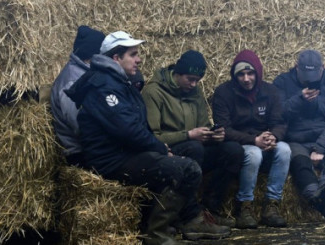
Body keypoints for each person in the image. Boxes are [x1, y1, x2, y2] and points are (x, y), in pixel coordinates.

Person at [67, 31, 229, 244]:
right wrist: (161, 148)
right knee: (187, 169)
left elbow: (136, 128)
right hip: (112, 160)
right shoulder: (103, 86)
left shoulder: (120, 82)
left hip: (129, 152)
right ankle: (157, 233)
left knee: (191, 150)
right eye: (133, 54)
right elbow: (128, 131)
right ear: (116, 58)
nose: (139, 59)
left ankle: (190, 219)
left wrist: (159, 147)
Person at [141, 50, 244, 228]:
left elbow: (203, 124)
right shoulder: (154, 92)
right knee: (194, 148)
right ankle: (190, 217)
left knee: (233, 150)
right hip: (169, 151)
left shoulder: (195, 92)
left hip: (195, 146)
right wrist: (189, 134)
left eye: (197, 80)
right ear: (177, 73)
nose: (194, 84)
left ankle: (210, 210)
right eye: (190, 79)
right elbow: (152, 137)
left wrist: (214, 135)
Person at [211, 49, 291, 229]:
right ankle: (244, 206)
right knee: (254, 154)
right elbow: (224, 129)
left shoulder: (270, 91)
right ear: (234, 76)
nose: (246, 79)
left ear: (258, 72)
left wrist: (273, 136)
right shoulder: (223, 93)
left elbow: (279, 121)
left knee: (285, 149)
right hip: (241, 143)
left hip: (264, 139)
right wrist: (254, 140)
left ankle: (272, 205)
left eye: (250, 73)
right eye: (241, 74)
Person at [273, 49, 325, 223]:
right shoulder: (282, 82)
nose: (310, 80)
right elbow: (276, 114)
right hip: (296, 138)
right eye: (305, 75)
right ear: (296, 67)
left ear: (323, 67)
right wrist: (299, 100)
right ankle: (317, 198)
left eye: (314, 75)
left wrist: (320, 147)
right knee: (300, 162)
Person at [51, 25, 105, 167]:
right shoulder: (72, 82)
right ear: (94, 55)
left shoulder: (85, 74)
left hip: (91, 148)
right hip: (79, 153)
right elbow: (80, 125)